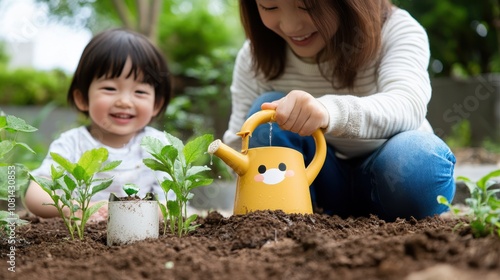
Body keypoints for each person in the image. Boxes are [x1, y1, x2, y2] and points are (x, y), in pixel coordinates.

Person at [223, 0, 456, 221]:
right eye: (270, 6)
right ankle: (294, 215)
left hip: (391, 176)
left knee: (420, 164)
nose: (291, 25)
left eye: (308, 6)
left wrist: (329, 111)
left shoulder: (396, 30)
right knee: (265, 122)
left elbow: (407, 104)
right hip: (313, 184)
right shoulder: (256, 56)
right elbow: (239, 143)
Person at [25, 28, 174, 220]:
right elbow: (36, 194)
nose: (125, 101)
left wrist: (127, 213)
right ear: (82, 98)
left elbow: (172, 205)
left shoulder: (159, 146)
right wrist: (77, 209)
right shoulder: (72, 144)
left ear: (156, 104)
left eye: (140, 92)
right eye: (110, 88)